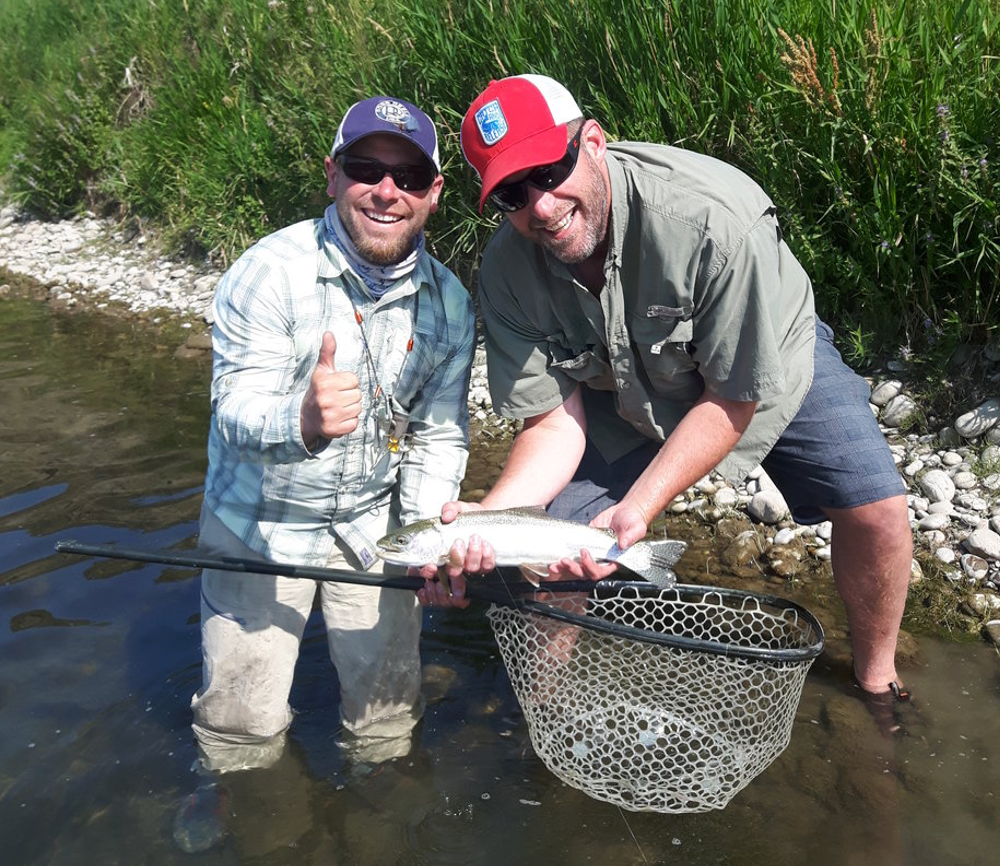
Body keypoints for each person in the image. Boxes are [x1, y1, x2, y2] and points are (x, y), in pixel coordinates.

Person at [421, 73, 913, 707]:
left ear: (592, 142)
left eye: (548, 172)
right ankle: (545, 716)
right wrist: (486, 524)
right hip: (618, 389)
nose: (539, 207)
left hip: (761, 361)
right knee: (543, 570)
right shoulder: (507, 270)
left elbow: (734, 398)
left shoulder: (713, 220)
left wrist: (637, 511)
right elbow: (551, 424)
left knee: (876, 509)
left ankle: (878, 682)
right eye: (513, 193)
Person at [190, 95, 476, 773]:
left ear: (434, 193)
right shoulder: (267, 273)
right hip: (255, 524)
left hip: (369, 526)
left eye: (408, 177)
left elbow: (438, 437)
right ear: (332, 175)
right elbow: (234, 408)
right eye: (366, 168)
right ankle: (231, 798)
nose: (386, 191)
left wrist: (426, 540)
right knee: (242, 723)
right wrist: (302, 422)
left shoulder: (450, 305)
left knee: (387, 721)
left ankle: (380, 817)